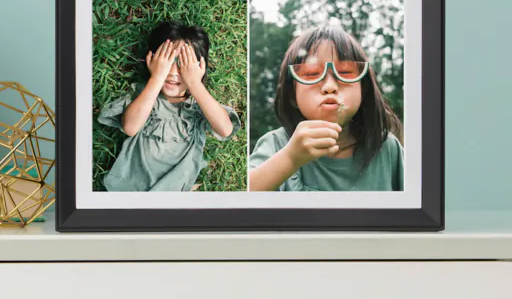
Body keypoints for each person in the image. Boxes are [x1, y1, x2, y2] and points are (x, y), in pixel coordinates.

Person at [249, 25, 404, 192]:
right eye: (311, 74)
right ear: (293, 96)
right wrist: (290, 159)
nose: (330, 86)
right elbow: (236, 198)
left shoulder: (387, 148)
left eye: (345, 72)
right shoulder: (277, 144)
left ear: (363, 90)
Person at [97, 20, 242, 192]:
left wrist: (195, 83)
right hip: (131, 190)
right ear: (152, 60)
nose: (173, 72)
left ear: (200, 68)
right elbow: (130, 127)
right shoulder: (146, 96)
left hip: (174, 195)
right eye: (167, 61)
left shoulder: (199, 106)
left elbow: (225, 129)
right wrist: (156, 78)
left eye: (183, 64)